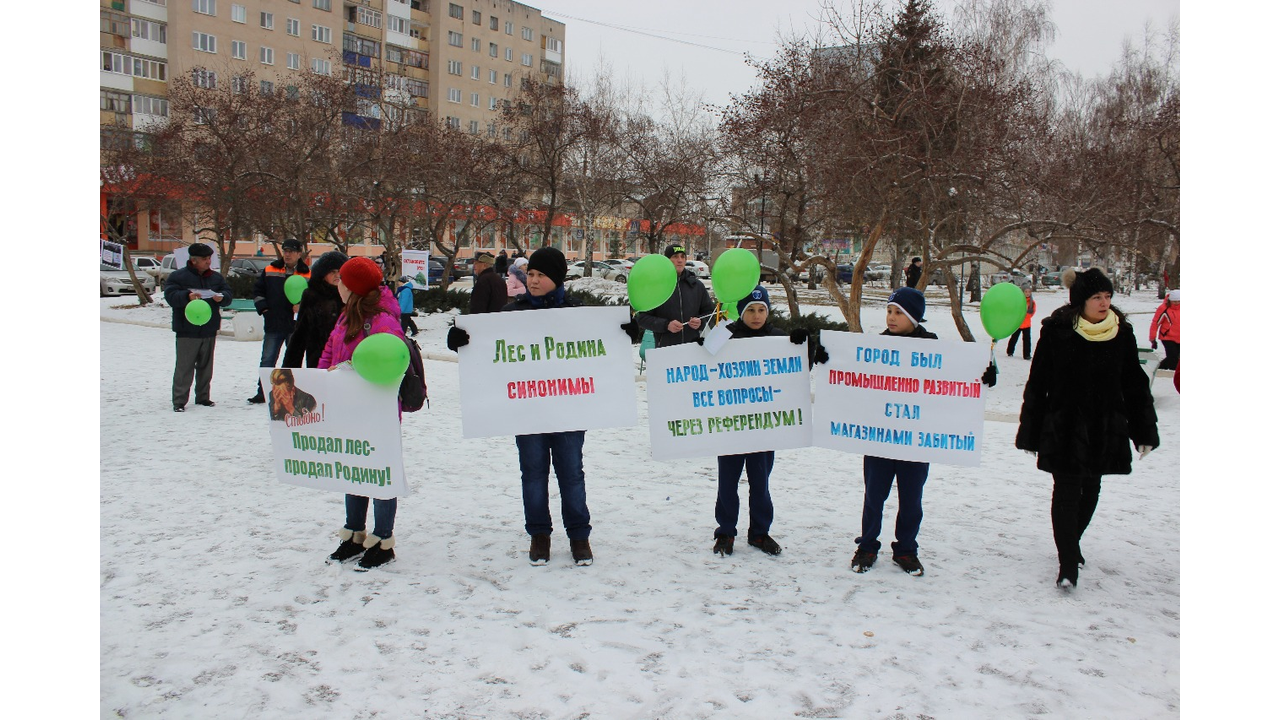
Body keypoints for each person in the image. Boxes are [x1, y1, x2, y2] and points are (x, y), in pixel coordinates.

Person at [447, 247, 605, 567]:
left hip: (568, 412)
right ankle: (539, 534)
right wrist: (460, 340)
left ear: (557, 278)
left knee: (572, 474)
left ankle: (579, 535)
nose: (532, 280)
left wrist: (623, 333)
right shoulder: (512, 313)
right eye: (530, 274)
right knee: (532, 474)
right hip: (527, 413)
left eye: (540, 275)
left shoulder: (576, 313)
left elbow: (602, 347)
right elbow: (486, 346)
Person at [1015, 268, 1159, 589]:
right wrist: (1030, 433)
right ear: (1081, 300)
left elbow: (1134, 385)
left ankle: (1072, 542)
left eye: (1107, 296)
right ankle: (1067, 564)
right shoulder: (1057, 331)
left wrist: (1144, 432)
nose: (1104, 302)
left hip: (1105, 427)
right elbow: (1038, 383)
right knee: (1066, 491)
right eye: (1097, 297)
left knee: (1091, 489)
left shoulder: (1121, 332)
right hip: (1064, 426)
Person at [319, 256, 408, 571]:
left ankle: (383, 541)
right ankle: (354, 534)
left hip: (377, 412)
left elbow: (391, 360)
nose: (338, 285)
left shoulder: (382, 319)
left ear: (353, 287)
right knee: (354, 470)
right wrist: (323, 380)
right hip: (348, 409)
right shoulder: (347, 315)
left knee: (380, 474)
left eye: (342, 280)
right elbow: (330, 350)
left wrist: (351, 374)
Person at [711, 286, 810, 558]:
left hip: (764, 428)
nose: (756, 316)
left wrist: (805, 346)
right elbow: (700, 365)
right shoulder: (725, 336)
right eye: (751, 310)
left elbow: (800, 370)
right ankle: (725, 532)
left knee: (760, 482)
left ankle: (759, 532)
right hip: (731, 426)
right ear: (741, 312)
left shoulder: (778, 338)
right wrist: (700, 347)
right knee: (727, 483)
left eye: (762, 310)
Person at [164, 242, 233, 412]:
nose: (208, 261)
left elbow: (228, 294)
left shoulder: (216, 278)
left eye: (209, 258)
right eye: (204, 259)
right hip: (186, 329)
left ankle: (203, 397)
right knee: (184, 367)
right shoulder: (178, 277)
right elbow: (171, 296)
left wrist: (222, 297)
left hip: (209, 328)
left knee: (206, 367)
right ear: (194, 260)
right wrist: (187, 296)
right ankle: (179, 401)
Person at [248, 238, 310, 404]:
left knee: (293, 361)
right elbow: (258, 291)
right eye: (285, 251)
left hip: (296, 326)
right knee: (267, 359)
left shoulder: (307, 273)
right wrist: (265, 310)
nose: (287, 254)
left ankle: (291, 394)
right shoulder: (270, 269)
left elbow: (313, 296)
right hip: (274, 323)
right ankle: (262, 392)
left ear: (299, 254)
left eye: (291, 251)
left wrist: (302, 307)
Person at [634, 244, 716, 348]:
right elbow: (643, 318)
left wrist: (701, 322)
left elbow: (710, 313)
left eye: (682, 257)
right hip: (666, 349)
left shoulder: (696, 286)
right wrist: (666, 325)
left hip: (693, 348)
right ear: (667, 260)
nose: (680, 260)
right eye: (675, 256)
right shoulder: (656, 286)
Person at [282, 251, 348, 369]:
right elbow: (300, 334)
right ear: (322, 274)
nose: (337, 275)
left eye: (340, 272)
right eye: (332, 272)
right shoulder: (312, 296)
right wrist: (290, 368)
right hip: (318, 359)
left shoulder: (351, 295)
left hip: (346, 360)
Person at [1148, 289, 1180, 370]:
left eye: (1178, 301)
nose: (1176, 303)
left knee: (1174, 356)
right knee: (1173, 357)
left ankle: (1160, 368)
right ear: (1170, 300)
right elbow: (1155, 323)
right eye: (1174, 301)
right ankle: (1174, 373)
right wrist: (1152, 338)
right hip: (1167, 337)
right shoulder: (1163, 308)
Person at [1006, 285, 1037, 360]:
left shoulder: (1032, 302)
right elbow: (1014, 310)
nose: (1027, 293)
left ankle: (1027, 355)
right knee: (1014, 338)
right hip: (1018, 323)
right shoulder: (1018, 301)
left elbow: (1032, 312)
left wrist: (1027, 315)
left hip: (1027, 324)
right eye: (1026, 291)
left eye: (1029, 292)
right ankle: (1010, 351)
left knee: (1027, 340)